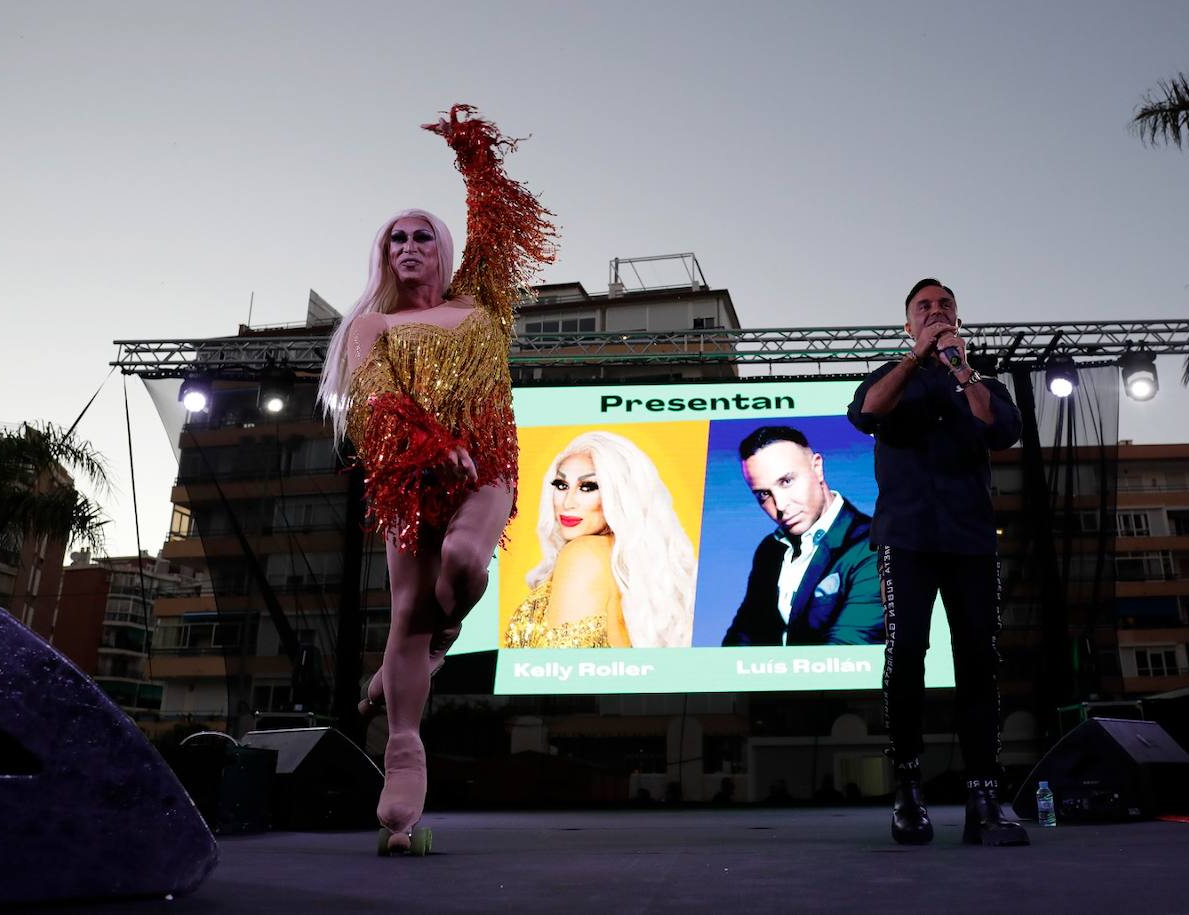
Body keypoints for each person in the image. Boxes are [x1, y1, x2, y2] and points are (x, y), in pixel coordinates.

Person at [316, 105, 556, 853]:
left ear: (443, 249)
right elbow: (377, 401)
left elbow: (500, 223)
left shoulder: (480, 300)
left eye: (423, 235)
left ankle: (438, 637)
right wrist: (424, 448)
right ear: (383, 256)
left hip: (487, 464)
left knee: (462, 564)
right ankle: (404, 752)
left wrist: (475, 157)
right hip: (410, 478)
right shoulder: (369, 328)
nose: (410, 245)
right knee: (408, 613)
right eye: (398, 238)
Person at [847, 278, 1028, 847]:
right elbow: (868, 413)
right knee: (907, 652)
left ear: (958, 318)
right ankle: (907, 789)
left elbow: (1001, 431)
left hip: (971, 539)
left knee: (979, 657)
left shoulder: (983, 384)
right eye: (924, 307)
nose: (935, 312)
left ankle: (982, 795)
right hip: (907, 538)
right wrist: (917, 359)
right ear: (907, 325)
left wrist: (962, 370)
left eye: (944, 305)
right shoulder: (889, 378)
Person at [504, 431, 696, 648]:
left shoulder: (583, 554)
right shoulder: (628, 567)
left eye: (588, 487)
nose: (567, 502)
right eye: (561, 485)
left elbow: (561, 672)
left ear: (620, 495)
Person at [721, 426, 881, 646]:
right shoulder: (770, 550)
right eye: (764, 494)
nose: (780, 505)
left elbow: (849, 651)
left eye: (786, 481)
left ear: (817, 468)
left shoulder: (874, 546)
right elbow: (741, 636)